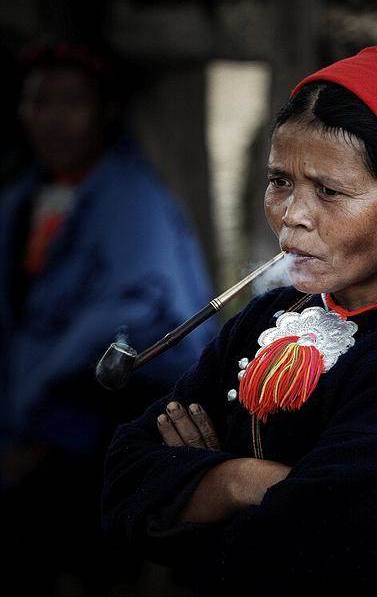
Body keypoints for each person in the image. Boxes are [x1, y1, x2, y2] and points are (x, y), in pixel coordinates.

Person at [101, 46, 377, 592]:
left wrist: (200, 486)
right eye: (280, 181)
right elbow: (124, 482)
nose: (292, 216)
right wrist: (243, 480)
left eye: (329, 191)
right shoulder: (266, 317)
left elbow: (312, 551)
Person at [0, 40, 219, 594]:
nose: (53, 120)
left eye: (72, 102)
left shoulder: (136, 204)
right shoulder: (20, 201)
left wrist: (41, 430)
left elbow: (135, 327)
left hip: (94, 427)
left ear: (105, 112)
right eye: (38, 102)